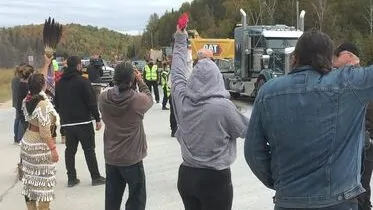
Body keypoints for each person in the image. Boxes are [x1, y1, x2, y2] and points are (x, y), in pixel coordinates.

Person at [244, 30, 373, 210]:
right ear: (330, 59)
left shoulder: (268, 91)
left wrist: (280, 182)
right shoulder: (348, 84)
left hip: (288, 201)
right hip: (338, 202)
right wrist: (353, 64)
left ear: (294, 58)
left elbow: (252, 151)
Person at [171, 25, 248, 210]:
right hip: (215, 179)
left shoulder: (183, 101)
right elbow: (248, 130)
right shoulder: (223, 108)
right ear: (218, 78)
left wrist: (180, 38)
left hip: (187, 176)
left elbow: (177, 73)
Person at [98, 62, 153, 210]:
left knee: (112, 199)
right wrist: (140, 80)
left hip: (111, 157)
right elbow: (149, 97)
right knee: (136, 199)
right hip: (132, 159)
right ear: (131, 80)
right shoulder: (137, 101)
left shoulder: (103, 98)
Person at [333, 42, 373, 210]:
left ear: (348, 56)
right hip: (354, 144)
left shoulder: (361, 81)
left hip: (365, 144)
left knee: (359, 189)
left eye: (336, 57)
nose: (333, 62)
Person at [54, 56, 105, 187]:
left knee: (70, 151)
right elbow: (91, 101)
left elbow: (56, 103)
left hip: (67, 124)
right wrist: (97, 118)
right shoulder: (83, 81)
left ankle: (71, 179)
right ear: (78, 66)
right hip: (83, 122)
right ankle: (95, 177)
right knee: (89, 150)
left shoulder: (59, 83)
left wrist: (63, 117)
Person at [20, 73, 59, 210]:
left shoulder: (27, 99)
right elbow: (45, 132)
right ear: (43, 85)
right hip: (39, 147)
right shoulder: (42, 104)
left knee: (30, 180)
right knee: (44, 183)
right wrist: (53, 149)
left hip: (27, 142)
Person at [15, 64, 35, 144]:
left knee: (22, 122)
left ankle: (20, 138)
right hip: (24, 110)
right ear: (30, 74)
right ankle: (22, 139)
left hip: (21, 108)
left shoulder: (21, 83)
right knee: (24, 124)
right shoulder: (26, 86)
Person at [12, 65, 22, 143]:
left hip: (15, 101)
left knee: (17, 118)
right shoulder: (20, 80)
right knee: (20, 119)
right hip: (19, 101)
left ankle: (16, 136)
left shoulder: (14, 79)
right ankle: (19, 137)